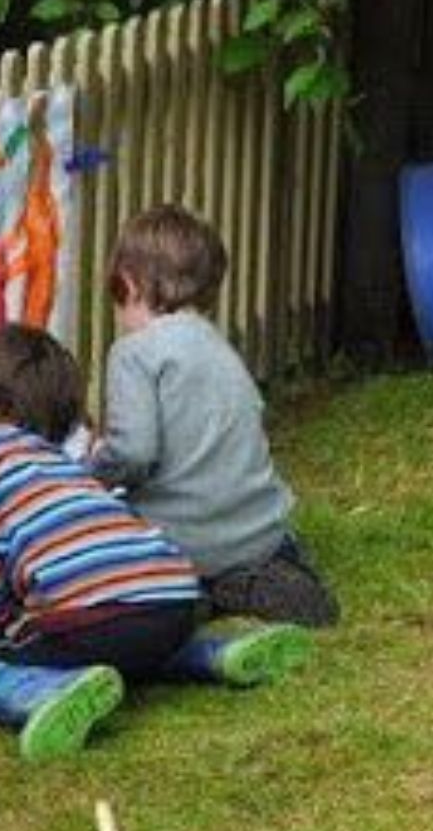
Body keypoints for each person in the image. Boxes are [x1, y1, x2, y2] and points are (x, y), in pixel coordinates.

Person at [0, 323, 207, 760]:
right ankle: (206, 656)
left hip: (93, 617)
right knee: (127, 637)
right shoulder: (54, 458)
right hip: (174, 600)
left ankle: (44, 692)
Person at [95, 205, 340, 628]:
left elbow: (134, 454)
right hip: (261, 531)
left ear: (130, 285)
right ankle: (262, 577)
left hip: (181, 545)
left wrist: (92, 469)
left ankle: (201, 595)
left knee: (95, 552)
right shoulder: (218, 347)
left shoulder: (134, 354)